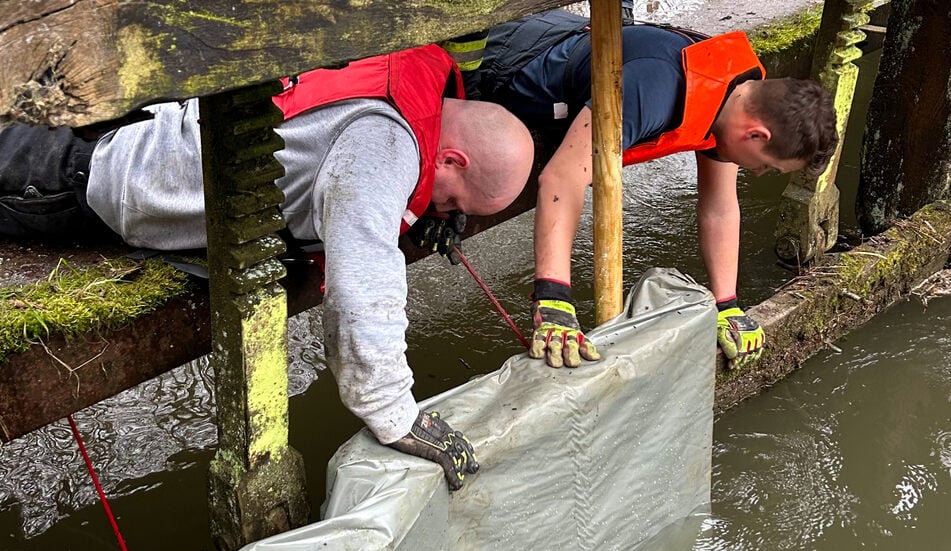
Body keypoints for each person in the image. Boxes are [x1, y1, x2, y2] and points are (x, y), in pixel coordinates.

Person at [0, 43, 536, 490]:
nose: (443, 214)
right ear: (451, 158)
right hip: (89, 180)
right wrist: (396, 415)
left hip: (150, 125)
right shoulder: (385, 148)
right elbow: (362, 292)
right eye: (453, 204)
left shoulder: (411, 72)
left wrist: (420, 209)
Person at [461, 9, 838, 370]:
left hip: (563, 38)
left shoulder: (734, 95)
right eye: (766, 165)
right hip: (509, 57)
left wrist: (727, 306)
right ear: (756, 133)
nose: (756, 172)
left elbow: (720, 207)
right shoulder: (652, 91)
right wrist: (554, 299)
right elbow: (562, 178)